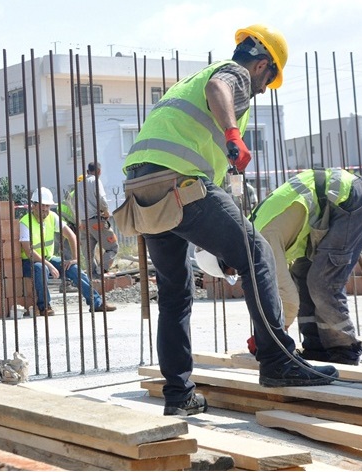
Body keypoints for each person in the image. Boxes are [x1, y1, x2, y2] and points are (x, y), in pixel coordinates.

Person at [116, 24, 337, 416]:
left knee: (175, 294)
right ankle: (277, 361)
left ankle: (179, 395)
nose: (265, 88)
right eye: (270, 79)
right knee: (258, 254)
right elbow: (219, 87)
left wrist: (220, 243)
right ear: (262, 65)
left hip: (144, 187)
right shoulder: (231, 75)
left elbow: (211, 188)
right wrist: (234, 134)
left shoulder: (184, 87)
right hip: (179, 180)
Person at [249, 168, 362, 365]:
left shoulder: (261, 239)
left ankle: (344, 347)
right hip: (330, 205)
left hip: (348, 199)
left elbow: (287, 298)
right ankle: (316, 346)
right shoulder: (251, 229)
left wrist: (271, 337)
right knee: (301, 274)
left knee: (322, 280)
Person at [20, 187, 116, 316]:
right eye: (42, 205)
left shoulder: (52, 217)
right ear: (34, 205)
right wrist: (48, 265)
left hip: (48, 258)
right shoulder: (25, 222)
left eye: (47, 206)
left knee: (73, 268)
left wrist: (74, 259)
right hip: (29, 262)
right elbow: (28, 250)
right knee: (41, 268)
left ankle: (96, 303)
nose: (45, 209)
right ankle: (44, 306)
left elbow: (72, 236)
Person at [76, 162, 119, 276]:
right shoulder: (95, 181)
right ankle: (101, 270)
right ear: (99, 171)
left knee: (88, 253)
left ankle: (92, 276)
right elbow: (102, 199)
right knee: (113, 247)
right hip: (96, 220)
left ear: (87, 172)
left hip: (84, 223)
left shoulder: (79, 185)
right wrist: (105, 212)